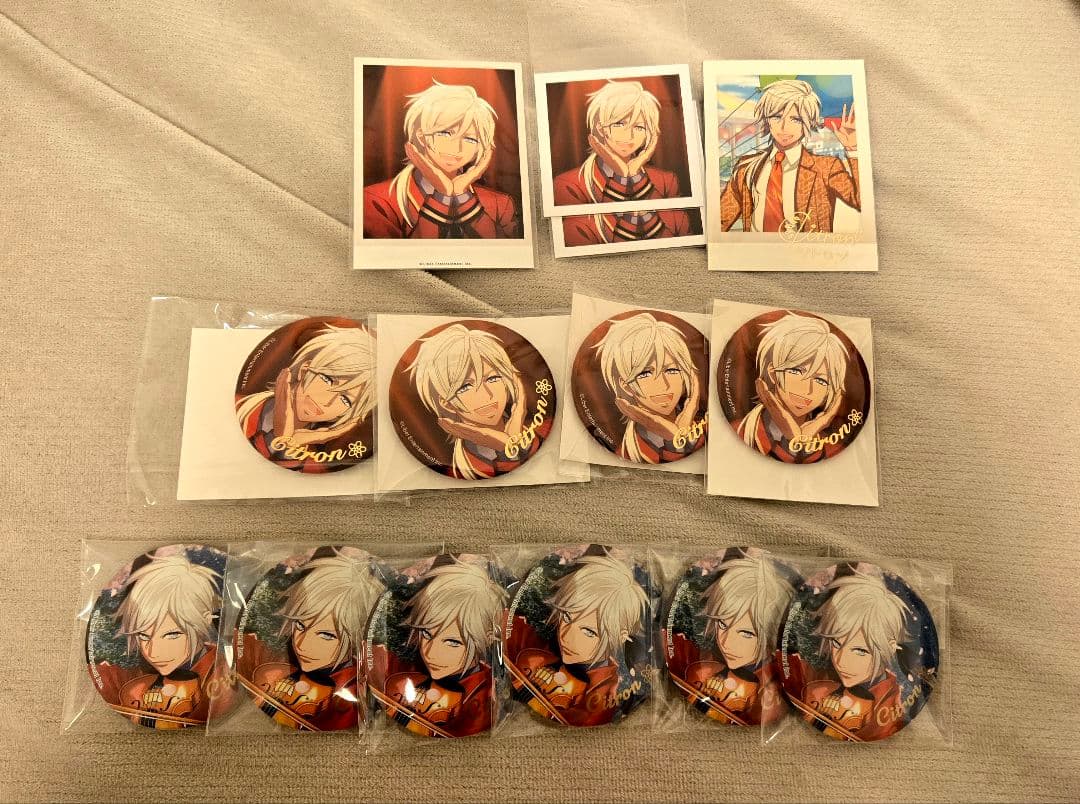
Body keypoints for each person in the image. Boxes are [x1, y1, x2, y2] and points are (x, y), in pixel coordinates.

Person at [363, 82, 520, 239]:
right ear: (421, 136)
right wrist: (442, 197)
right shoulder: (378, 201)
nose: (456, 148)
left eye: (470, 139)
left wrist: (461, 195)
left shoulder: (500, 204)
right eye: (445, 134)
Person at [510, 551, 648, 727]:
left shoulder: (606, 691)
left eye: (589, 632)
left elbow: (582, 717)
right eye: (567, 617)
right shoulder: (540, 655)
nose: (566, 637)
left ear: (620, 637)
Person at [248, 550, 374, 731]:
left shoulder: (351, 697)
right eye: (300, 625)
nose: (302, 645)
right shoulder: (278, 666)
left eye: (326, 635)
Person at [381, 557, 508, 737]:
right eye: (426, 634)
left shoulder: (486, 697)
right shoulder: (405, 675)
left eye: (453, 642)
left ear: (487, 639)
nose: (430, 653)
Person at [718, 79, 860, 233]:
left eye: (796, 119)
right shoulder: (746, 168)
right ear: (767, 120)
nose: (784, 127)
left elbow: (860, 201)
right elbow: (721, 220)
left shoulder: (825, 168)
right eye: (777, 117)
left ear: (808, 122)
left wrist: (853, 148)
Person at [408, 324, 548, 479]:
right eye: (465, 387)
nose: (486, 395)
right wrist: (505, 445)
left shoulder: (544, 426)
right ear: (446, 403)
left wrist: (518, 419)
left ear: (509, 381)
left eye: (492, 378)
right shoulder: (462, 467)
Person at [236, 324, 376, 472]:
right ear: (304, 371)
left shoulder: (316, 465)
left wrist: (288, 441)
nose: (327, 401)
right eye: (327, 379)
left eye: (345, 399)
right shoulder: (241, 410)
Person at [681, 552, 793, 725]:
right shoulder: (704, 667)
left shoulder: (774, 692)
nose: (726, 643)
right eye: (722, 624)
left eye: (747, 633)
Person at [796, 570, 909, 741]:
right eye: (836, 643)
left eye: (860, 651)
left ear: (890, 647)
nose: (841, 662)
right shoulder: (818, 687)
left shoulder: (889, 710)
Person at [113, 553, 221, 729]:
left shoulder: (221, 672)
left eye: (172, 635)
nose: (153, 653)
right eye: (143, 636)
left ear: (206, 620)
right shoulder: (134, 682)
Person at [554, 80, 682, 215]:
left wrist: (633, 175)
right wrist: (622, 178)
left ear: (648, 134)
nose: (629, 135)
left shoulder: (666, 182)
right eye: (619, 124)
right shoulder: (570, 184)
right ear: (600, 128)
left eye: (639, 127)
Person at [736, 312, 848, 463]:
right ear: (773, 373)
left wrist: (802, 439)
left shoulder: (835, 449)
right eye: (796, 371)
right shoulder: (737, 432)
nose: (807, 389)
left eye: (820, 380)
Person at [595, 313, 704, 463]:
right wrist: (671, 434)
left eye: (671, 370)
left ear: (686, 376)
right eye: (645, 374)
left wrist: (688, 414)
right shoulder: (626, 453)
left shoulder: (710, 428)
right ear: (626, 386)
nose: (664, 384)